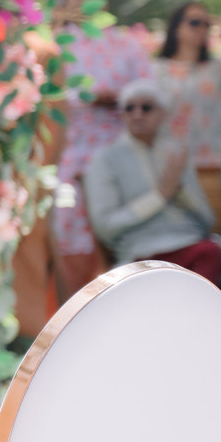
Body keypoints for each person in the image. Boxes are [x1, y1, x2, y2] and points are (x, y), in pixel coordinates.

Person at [85, 77, 221, 356]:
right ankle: (189, 352)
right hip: (143, 252)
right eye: (129, 108)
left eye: (146, 107)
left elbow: (206, 221)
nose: (137, 113)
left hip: (194, 243)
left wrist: (178, 192)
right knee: (209, 253)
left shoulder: (175, 154)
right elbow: (106, 228)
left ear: (162, 114)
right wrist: (158, 196)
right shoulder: (105, 160)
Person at [53, 23, 154, 292]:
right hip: (68, 160)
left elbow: (149, 91)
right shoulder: (59, 44)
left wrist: (122, 99)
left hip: (117, 159)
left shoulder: (128, 45)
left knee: (116, 233)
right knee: (67, 229)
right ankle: (73, 306)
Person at [155, 0, 221, 220]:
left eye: (207, 24)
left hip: (213, 164)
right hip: (169, 165)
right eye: (195, 22)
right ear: (177, 28)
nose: (202, 29)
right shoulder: (156, 70)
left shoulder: (217, 69)